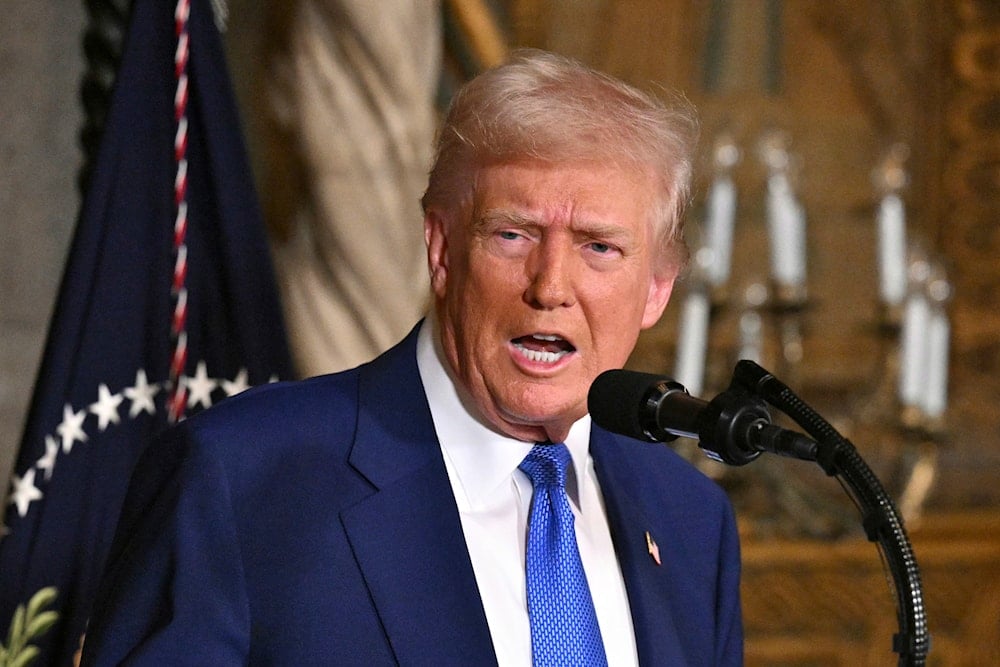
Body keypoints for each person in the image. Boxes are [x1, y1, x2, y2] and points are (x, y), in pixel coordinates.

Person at [80, 49, 743, 666]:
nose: (550, 286)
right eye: (512, 235)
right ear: (442, 248)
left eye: (599, 246)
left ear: (657, 287)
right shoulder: (242, 476)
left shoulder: (690, 521)